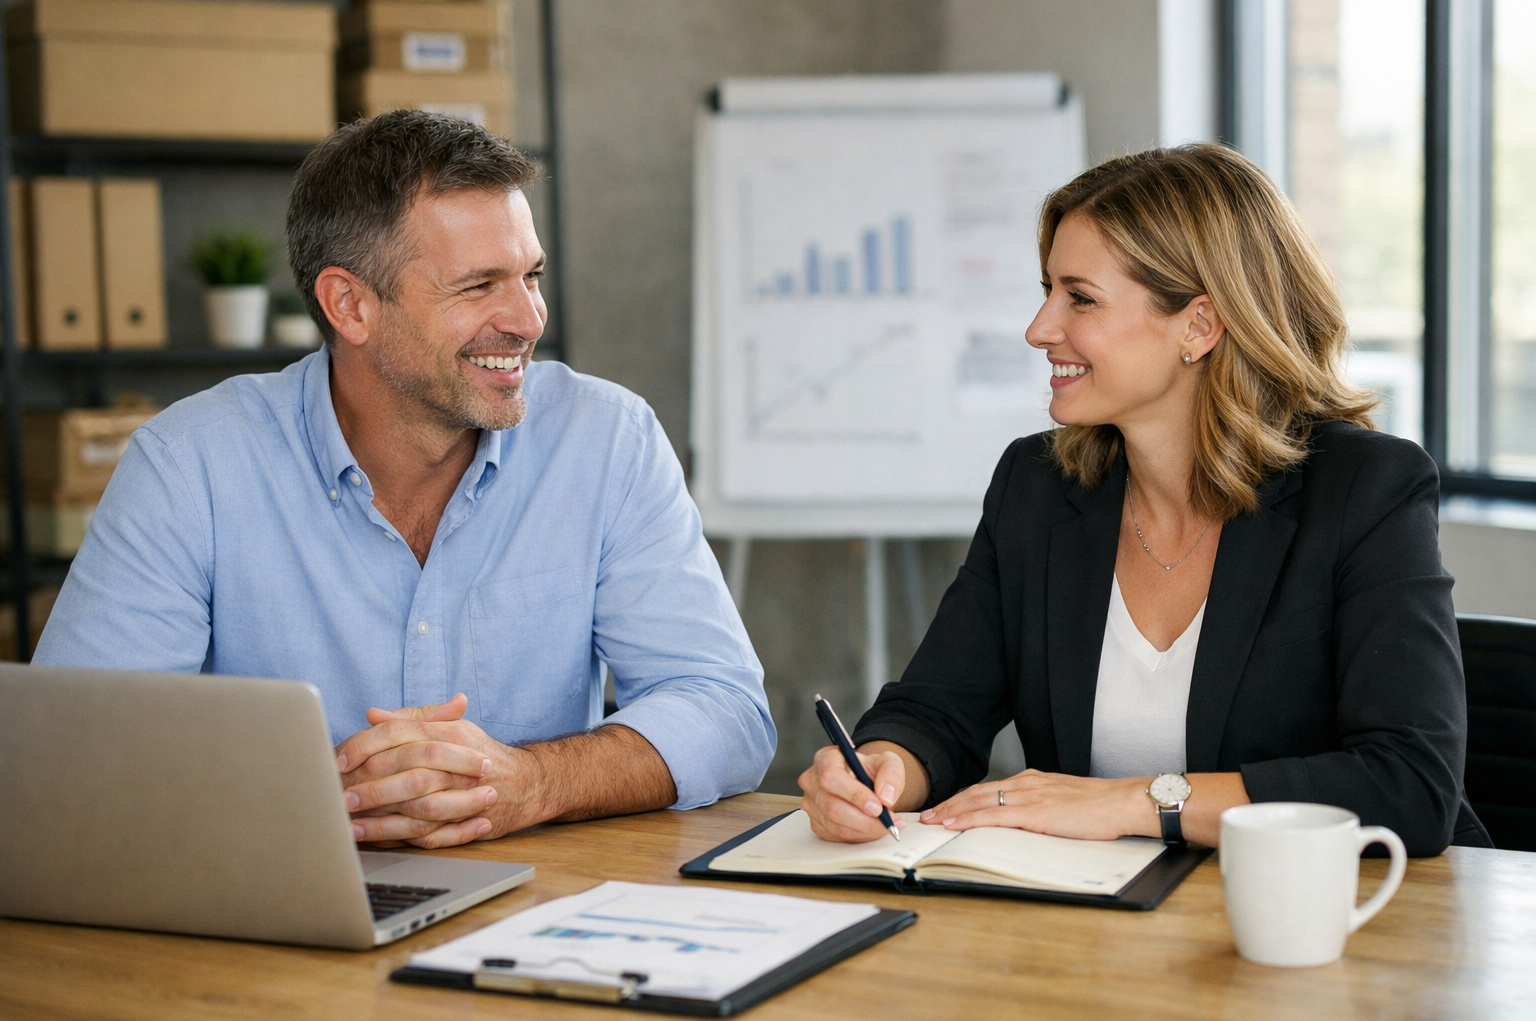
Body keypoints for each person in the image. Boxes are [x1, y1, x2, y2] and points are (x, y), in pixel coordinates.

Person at [35, 111, 775, 848]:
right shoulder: (189, 464)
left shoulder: (607, 439)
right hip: (278, 903)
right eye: (480, 285)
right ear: (348, 305)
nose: (527, 317)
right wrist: (327, 794)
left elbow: (726, 709)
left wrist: (529, 782)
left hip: (544, 910)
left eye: (531, 275)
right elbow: (72, 756)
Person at [799, 143, 1488, 857]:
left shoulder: (1364, 489)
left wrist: (1132, 802)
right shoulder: (1037, 487)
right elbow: (938, 711)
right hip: (1107, 924)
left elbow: (1409, 785)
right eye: (1047, 291)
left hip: (1332, 922)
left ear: (1199, 325)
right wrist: (882, 771)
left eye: (1081, 298)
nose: (1039, 329)